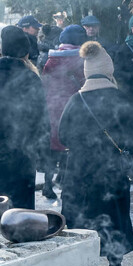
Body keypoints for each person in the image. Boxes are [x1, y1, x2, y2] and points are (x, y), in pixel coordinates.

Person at [58, 42, 133, 266]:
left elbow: (63, 136)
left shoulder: (76, 100)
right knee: (113, 217)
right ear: (109, 70)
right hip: (112, 171)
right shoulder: (120, 100)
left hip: (79, 171)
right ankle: (115, 265)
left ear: (86, 71)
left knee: (82, 218)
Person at [0, 26, 48, 209]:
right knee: (20, 213)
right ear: (26, 53)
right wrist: (44, 155)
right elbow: (41, 120)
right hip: (22, 157)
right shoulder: (31, 78)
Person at [40, 25, 87, 199]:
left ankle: (47, 184)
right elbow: (84, 84)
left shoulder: (51, 59)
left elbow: (44, 84)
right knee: (70, 146)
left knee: (53, 149)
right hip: (73, 109)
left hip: (52, 108)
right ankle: (65, 185)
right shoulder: (80, 60)